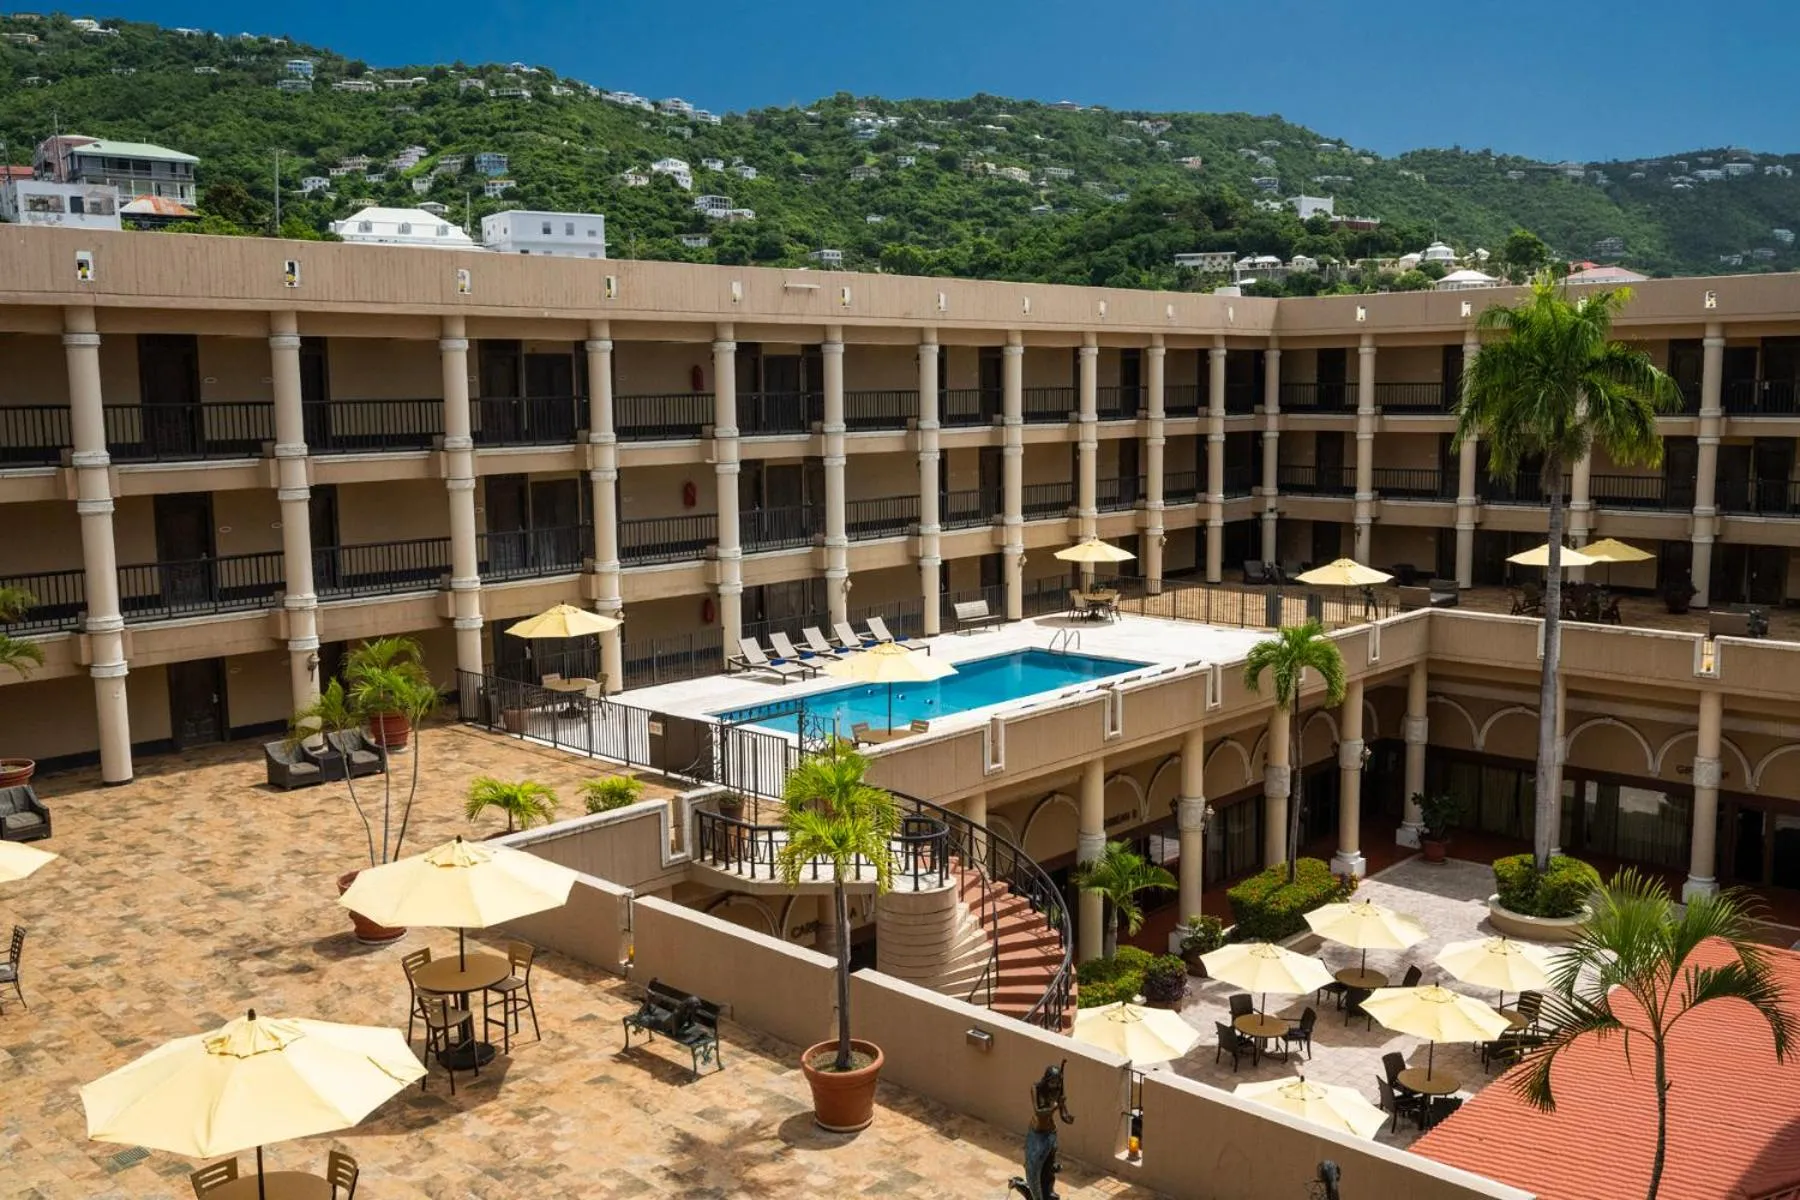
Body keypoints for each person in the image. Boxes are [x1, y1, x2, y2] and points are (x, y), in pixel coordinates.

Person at [1010, 1061, 1075, 1200]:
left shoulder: (1057, 1091)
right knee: (1034, 1171)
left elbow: (1063, 1113)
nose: (1055, 1085)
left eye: (1057, 1082)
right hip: (1037, 1134)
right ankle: (1021, 1185)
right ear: (1047, 1079)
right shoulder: (1036, 1089)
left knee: (1048, 1169)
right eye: (1053, 1082)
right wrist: (1057, 1107)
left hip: (1050, 1134)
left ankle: (1048, 1190)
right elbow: (1039, 1112)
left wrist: (1067, 1117)